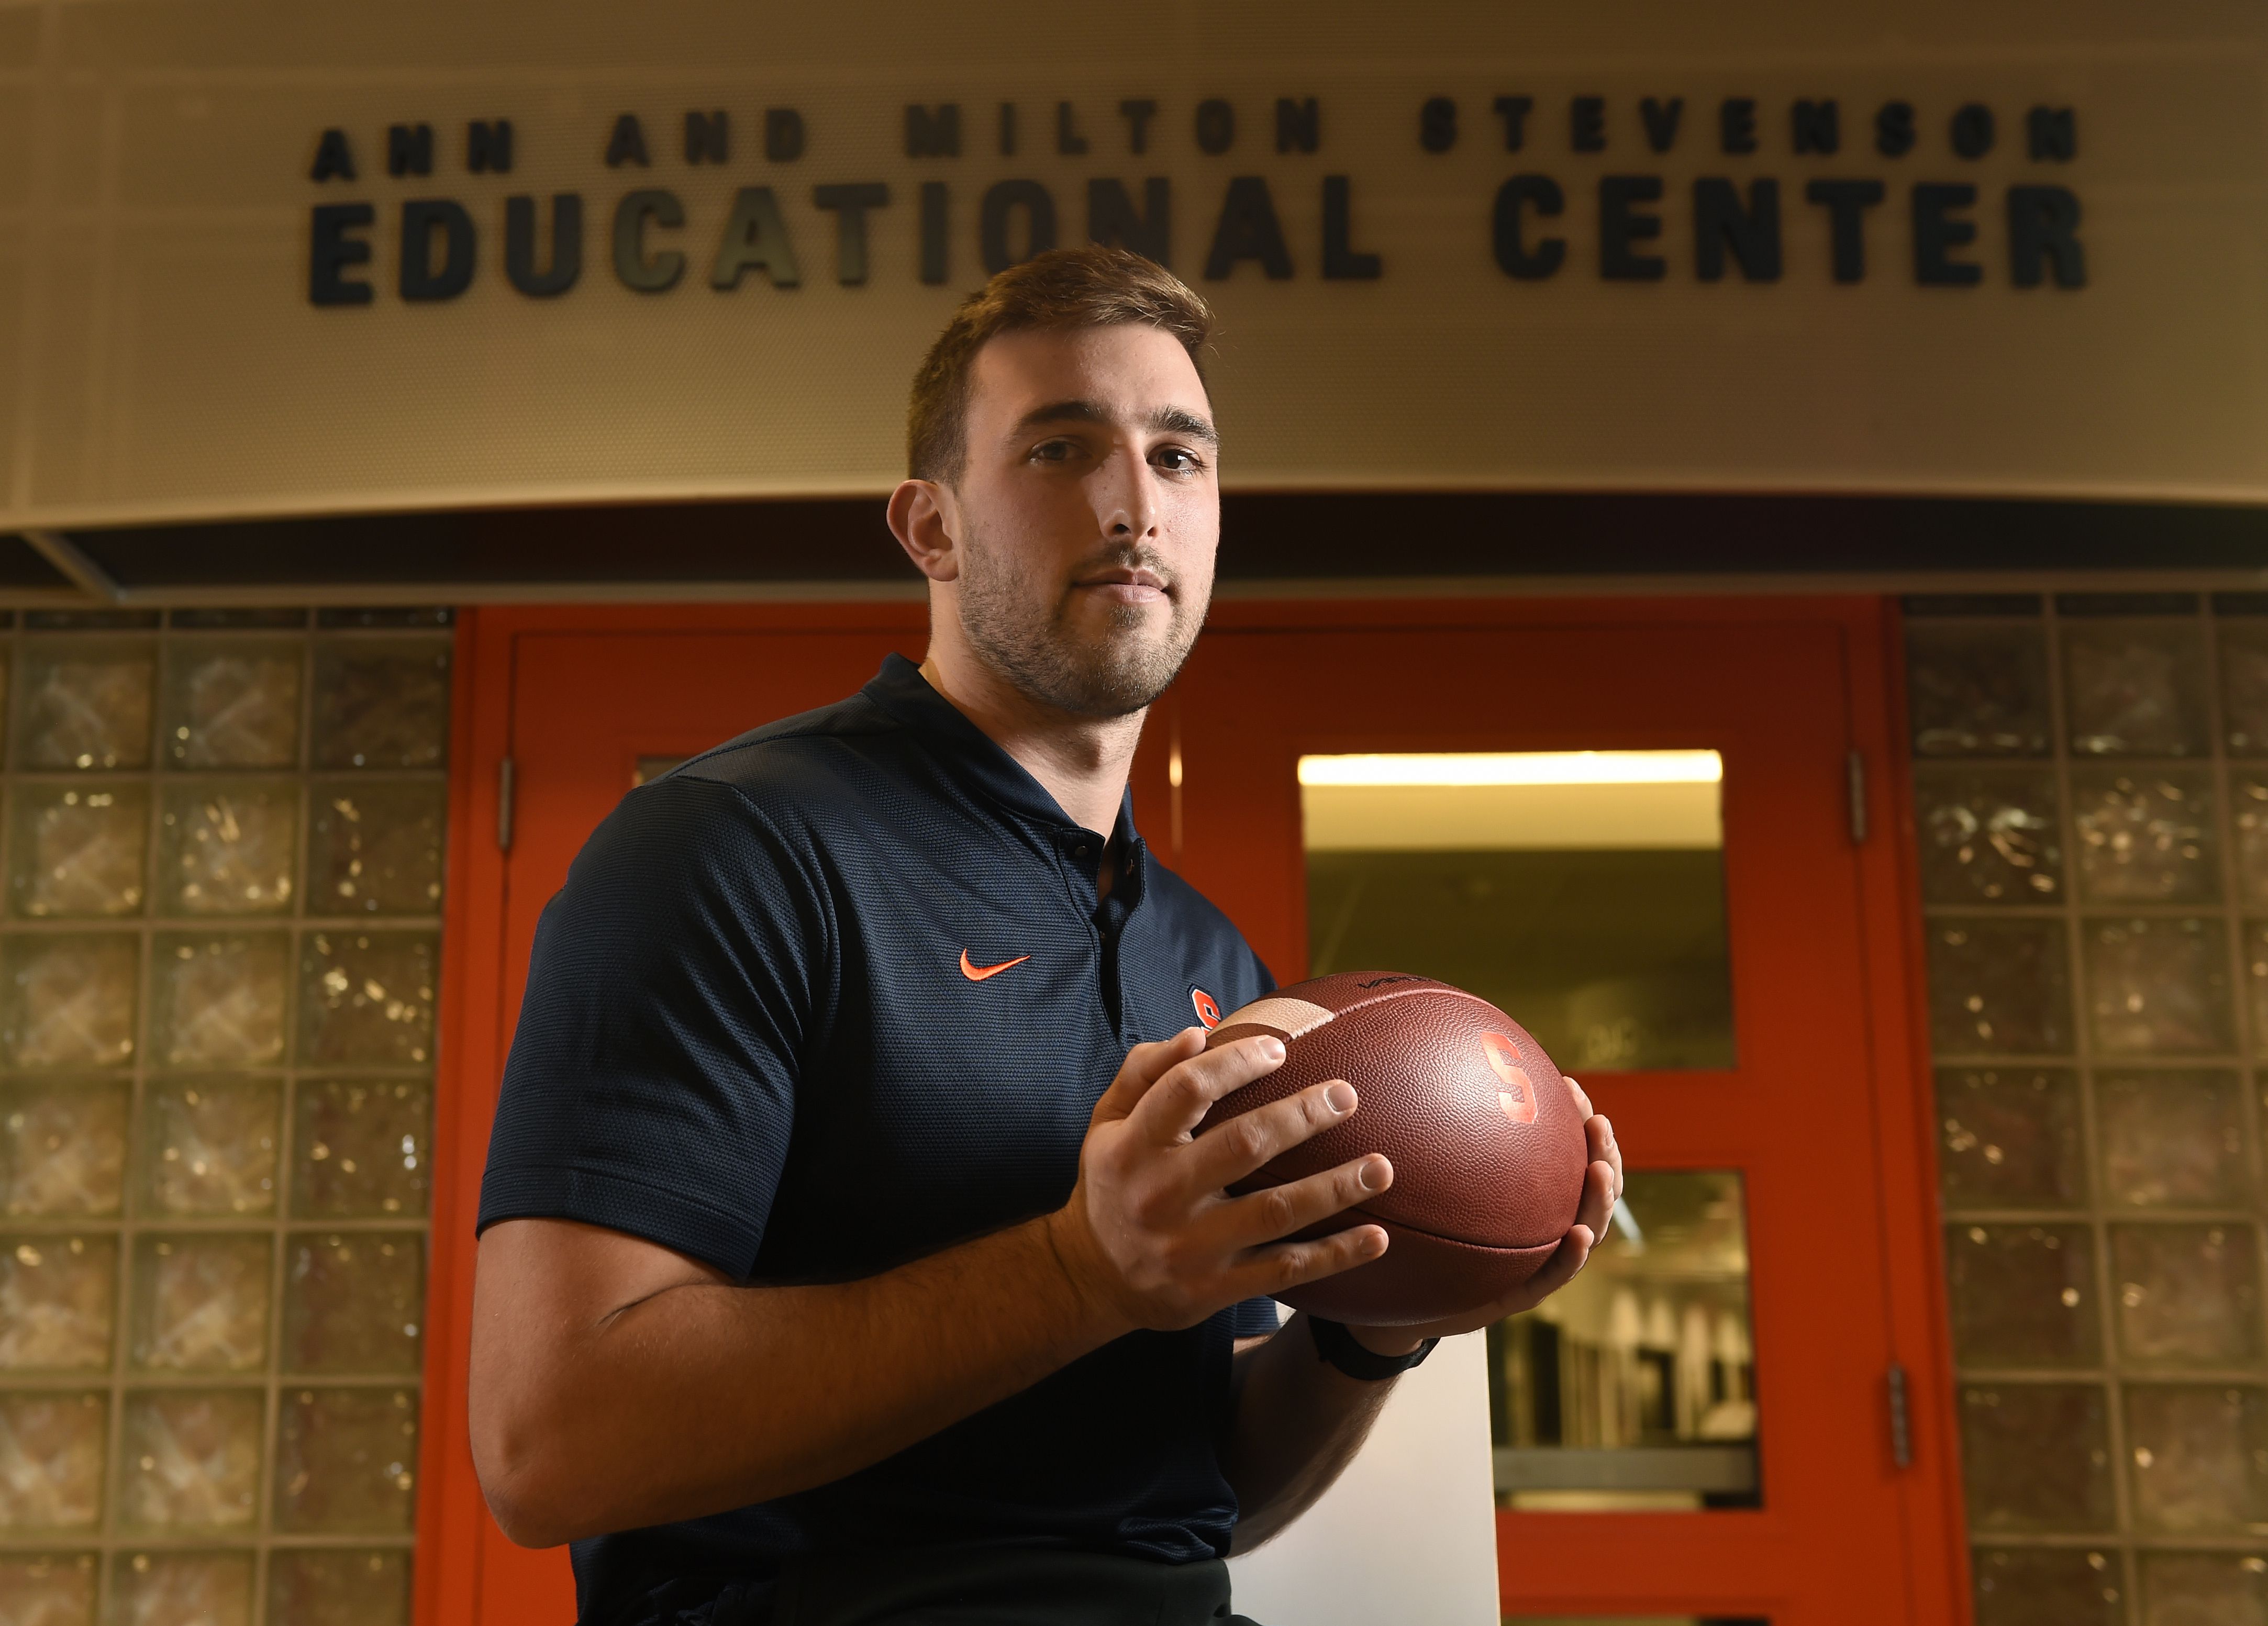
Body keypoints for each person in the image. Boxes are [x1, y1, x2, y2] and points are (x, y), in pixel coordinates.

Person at [468, 245, 1624, 1626]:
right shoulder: (730, 851)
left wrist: (1372, 1334)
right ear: (931, 526)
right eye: (1061, 447)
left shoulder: (1206, 956)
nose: (1133, 500)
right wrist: (1079, 1270)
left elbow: (1195, 1495)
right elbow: (547, 1441)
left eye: (1179, 458)